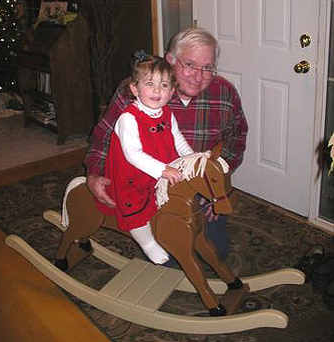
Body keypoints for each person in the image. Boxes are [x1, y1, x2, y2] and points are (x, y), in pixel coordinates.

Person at [84, 27, 248, 261]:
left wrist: (214, 191)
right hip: (147, 188)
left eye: (208, 68)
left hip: (198, 189)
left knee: (216, 252)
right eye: (189, 65)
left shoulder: (224, 93)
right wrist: (94, 173)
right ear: (170, 61)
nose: (198, 76)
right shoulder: (137, 91)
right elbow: (105, 135)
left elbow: (236, 140)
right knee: (172, 257)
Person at [96, 53, 194, 264]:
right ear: (135, 88)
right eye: (150, 84)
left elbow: (178, 140)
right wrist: (162, 170)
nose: (157, 90)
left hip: (159, 171)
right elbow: (133, 154)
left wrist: (192, 158)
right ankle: (147, 242)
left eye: (164, 85)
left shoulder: (167, 113)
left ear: (172, 91)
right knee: (134, 207)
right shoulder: (128, 118)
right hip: (133, 176)